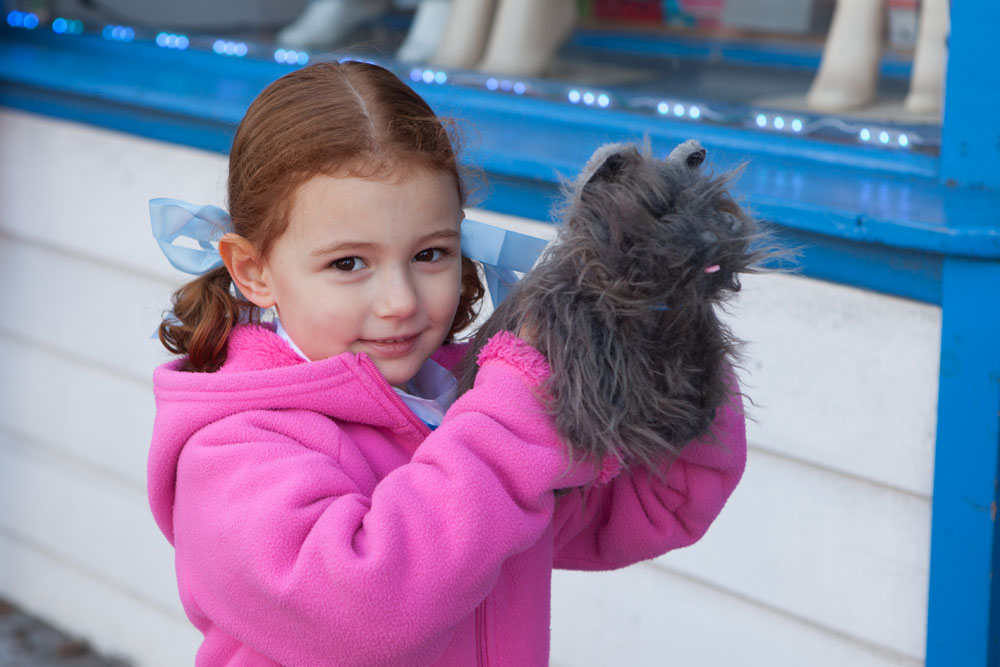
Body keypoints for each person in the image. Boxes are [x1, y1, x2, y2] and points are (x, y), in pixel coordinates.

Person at [148, 61, 747, 666]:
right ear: (253, 270)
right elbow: (365, 615)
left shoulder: (458, 401)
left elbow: (656, 505)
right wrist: (515, 407)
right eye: (349, 264)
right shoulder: (232, 451)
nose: (400, 301)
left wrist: (672, 330)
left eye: (430, 253)